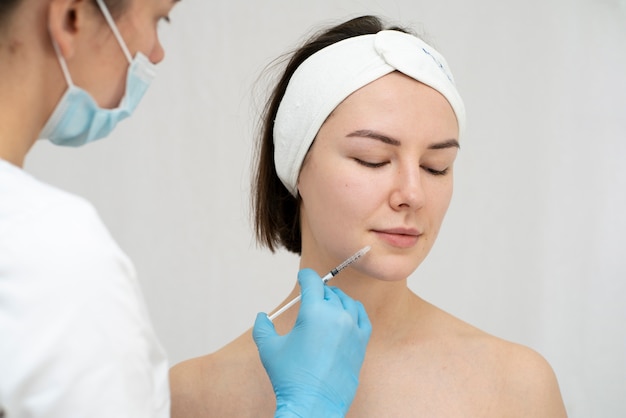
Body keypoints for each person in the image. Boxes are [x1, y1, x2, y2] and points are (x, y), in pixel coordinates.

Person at [169, 15, 569, 417]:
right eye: (372, 160)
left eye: (436, 166)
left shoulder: (518, 387)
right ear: (295, 166)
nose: (412, 194)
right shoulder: (191, 396)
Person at [0, 1, 371, 417]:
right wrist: (308, 407)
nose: (156, 53)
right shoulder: (52, 258)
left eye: (436, 166)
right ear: (71, 17)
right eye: (160, 19)